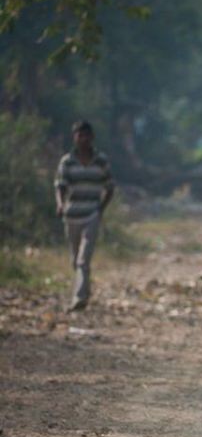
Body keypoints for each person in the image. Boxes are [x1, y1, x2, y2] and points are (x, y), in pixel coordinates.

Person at [54, 121, 114, 311]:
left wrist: (101, 209)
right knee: (75, 259)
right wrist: (60, 204)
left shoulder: (101, 160)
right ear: (75, 138)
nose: (83, 140)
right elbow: (60, 186)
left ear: (92, 137)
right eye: (80, 136)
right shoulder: (67, 161)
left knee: (83, 259)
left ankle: (78, 298)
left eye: (86, 136)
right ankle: (84, 292)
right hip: (72, 215)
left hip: (91, 214)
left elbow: (110, 187)